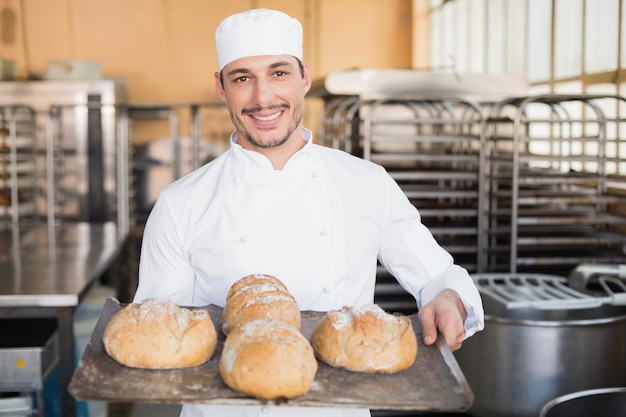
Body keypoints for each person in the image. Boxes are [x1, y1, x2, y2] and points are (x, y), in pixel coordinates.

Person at [133, 8, 484, 417]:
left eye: (279, 73)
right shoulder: (180, 204)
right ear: (221, 88)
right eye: (243, 78)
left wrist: (449, 298)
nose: (263, 98)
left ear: (304, 78)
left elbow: (439, 276)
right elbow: (156, 335)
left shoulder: (367, 183)